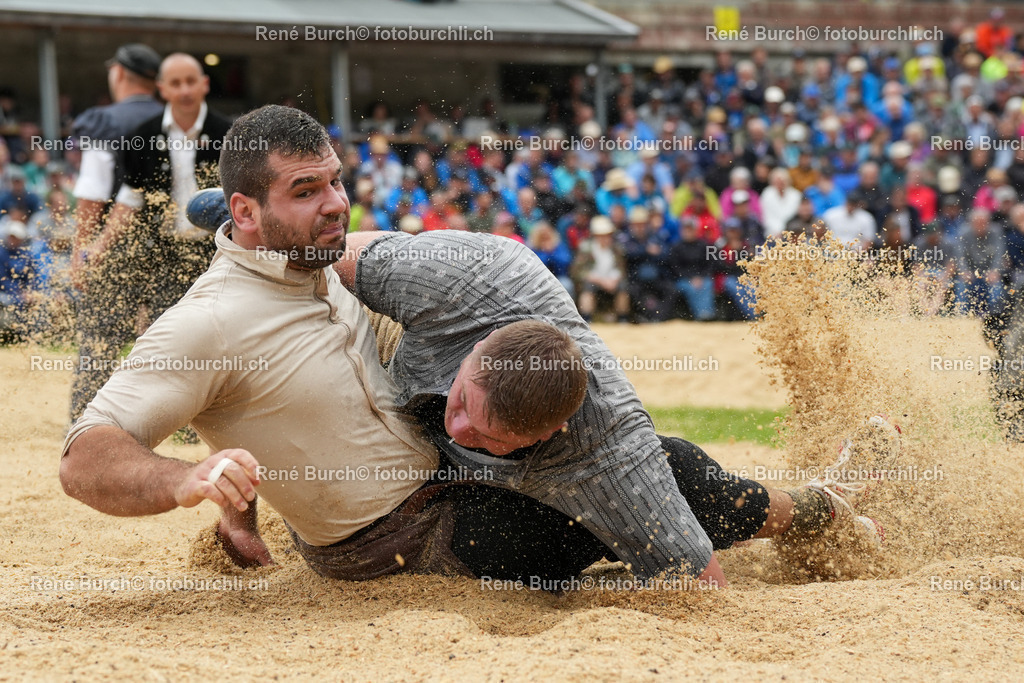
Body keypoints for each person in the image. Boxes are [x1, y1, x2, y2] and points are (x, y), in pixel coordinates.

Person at [67, 43, 164, 420]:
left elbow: (93, 192)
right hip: (172, 250)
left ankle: (87, 420)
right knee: (176, 343)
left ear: (119, 74)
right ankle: (185, 425)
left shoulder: (104, 121)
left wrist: (83, 250)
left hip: (117, 248)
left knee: (101, 339)